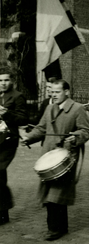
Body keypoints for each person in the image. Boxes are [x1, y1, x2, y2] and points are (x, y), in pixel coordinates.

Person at [21, 79, 89, 241]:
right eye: (52, 92)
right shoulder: (49, 107)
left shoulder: (77, 108)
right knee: (51, 194)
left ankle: (54, 229)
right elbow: (41, 128)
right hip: (49, 157)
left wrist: (74, 138)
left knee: (56, 194)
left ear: (67, 91)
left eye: (57, 91)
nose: (54, 95)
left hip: (66, 157)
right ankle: (61, 227)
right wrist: (29, 138)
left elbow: (86, 131)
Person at [0, 67, 28, 225]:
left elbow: (23, 119)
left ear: (11, 81)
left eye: (6, 80)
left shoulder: (17, 96)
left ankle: (3, 210)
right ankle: (3, 211)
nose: (3, 83)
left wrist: (6, 113)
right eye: (0, 80)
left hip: (8, 141)